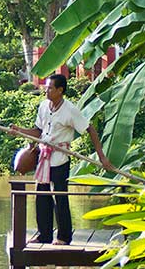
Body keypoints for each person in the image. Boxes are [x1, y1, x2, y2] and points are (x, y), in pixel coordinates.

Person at [9, 74, 114, 245]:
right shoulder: (43, 106)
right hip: (44, 157)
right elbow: (38, 131)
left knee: (60, 197)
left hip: (60, 158)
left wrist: (102, 156)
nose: (46, 90)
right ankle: (44, 235)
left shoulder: (70, 110)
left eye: (50, 88)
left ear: (60, 90)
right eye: (46, 87)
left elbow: (90, 130)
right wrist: (19, 130)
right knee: (41, 196)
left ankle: (64, 237)